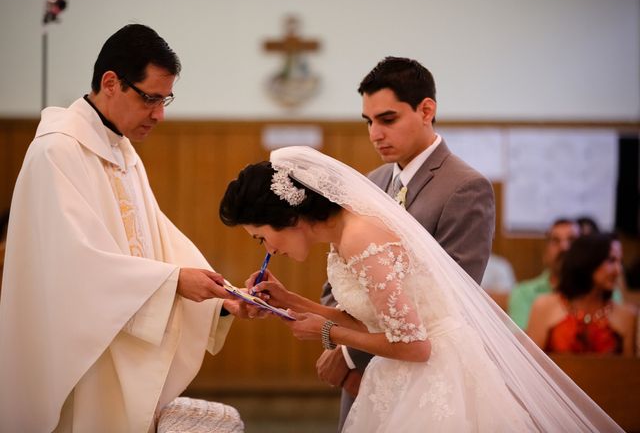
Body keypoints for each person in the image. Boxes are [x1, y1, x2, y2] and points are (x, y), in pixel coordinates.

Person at [219, 146, 622, 432]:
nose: (267, 249)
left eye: (261, 236)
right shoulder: (339, 238)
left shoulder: (359, 236)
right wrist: (289, 301)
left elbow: (416, 345)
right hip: (400, 371)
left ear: (288, 216)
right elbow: (371, 320)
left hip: (435, 372)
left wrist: (325, 334)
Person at [0, 24, 250, 432]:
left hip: (121, 342)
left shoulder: (122, 150)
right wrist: (172, 283)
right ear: (111, 82)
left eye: (165, 99)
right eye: (150, 98)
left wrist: (220, 297)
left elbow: (159, 241)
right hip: (84, 355)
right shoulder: (57, 151)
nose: (160, 114)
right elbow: (74, 267)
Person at [319, 56, 496, 428]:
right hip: (370, 377)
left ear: (426, 110)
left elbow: (452, 298)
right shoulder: (369, 182)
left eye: (387, 119)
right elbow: (335, 285)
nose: (374, 134)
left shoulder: (465, 187)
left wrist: (351, 353)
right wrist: (339, 343)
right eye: (369, 122)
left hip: (429, 377)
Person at [527, 233, 636, 356]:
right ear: (588, 261)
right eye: (611, 260)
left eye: (620, 262)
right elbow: (530, 364)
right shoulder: (544, 306)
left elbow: (629, 372)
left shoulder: (626, 316)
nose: (619, 270)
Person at [508, 219, 581, 329]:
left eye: (572, 240)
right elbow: (518, 343)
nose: (564, 247)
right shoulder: (523, 293)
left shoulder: (601, 293)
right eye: (556, 241)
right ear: (545, 253)